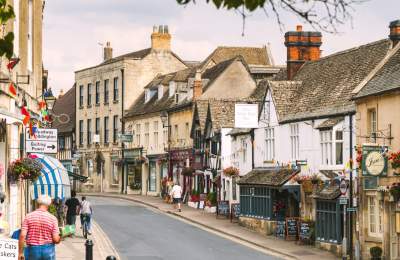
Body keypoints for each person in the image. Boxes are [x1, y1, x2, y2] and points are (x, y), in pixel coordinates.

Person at [19, 195, 61, 260]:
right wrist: (59, 238)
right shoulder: (53, 218)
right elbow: (55, 239)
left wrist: (20, 253)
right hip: (48, 250)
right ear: (48, 204)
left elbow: (22, 235)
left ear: (38, 203)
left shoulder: (28, 216)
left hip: (33, 250)